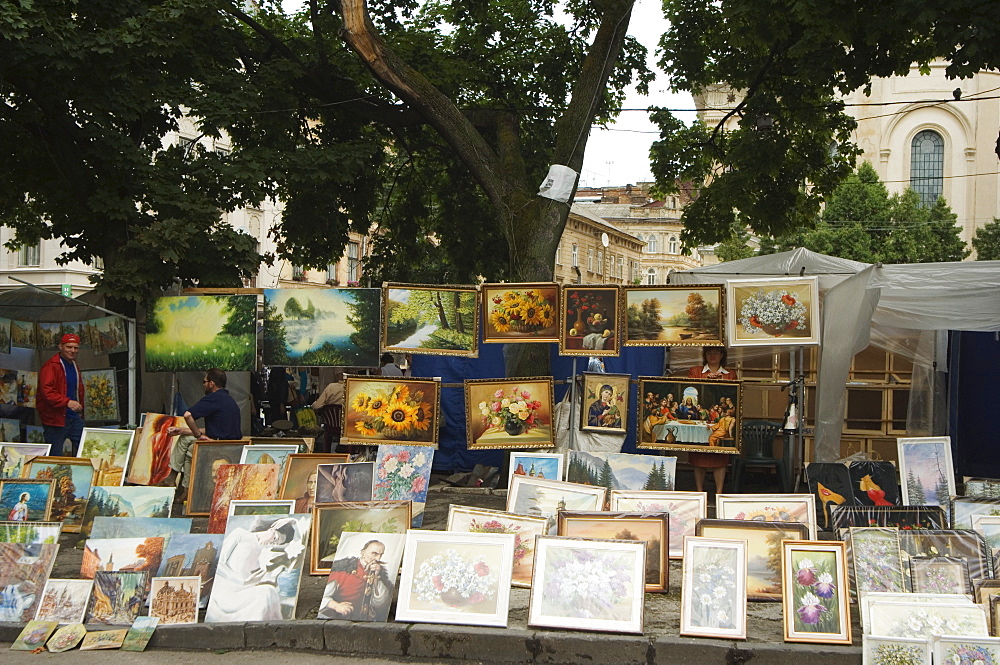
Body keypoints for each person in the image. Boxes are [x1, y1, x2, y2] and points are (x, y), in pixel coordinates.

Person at [205, 516, 300, 622]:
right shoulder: (241, 535)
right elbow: (219, 564)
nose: (271, 544)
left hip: (244, 590)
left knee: (270, 591)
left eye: (275, 543)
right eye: (274, 538)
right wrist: (243, 581)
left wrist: (293, 521)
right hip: (226, 589)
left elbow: (300, 544)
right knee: (265, 594)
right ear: (272, 528)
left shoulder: (265, 551)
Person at [162, 368, 242, 489]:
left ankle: (183, 485)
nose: (203, 385)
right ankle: (178, 482)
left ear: (212, 383)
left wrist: (198, 436)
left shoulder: (213, 399)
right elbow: (215, 430)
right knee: (185, 438)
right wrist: (183, 430)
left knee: (190, 450)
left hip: (220, 445)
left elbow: (187, 415)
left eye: (204, 382)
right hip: (231, 444)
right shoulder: (229, 400)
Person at [685, 346, 733, 494]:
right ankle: (700, 493)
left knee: (719, 457)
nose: (713, 356)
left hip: (720, 421)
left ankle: (719, 493)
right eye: (709, 353)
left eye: (716, 352)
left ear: (722, 355)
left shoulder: (730, 374)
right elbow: (690, 388)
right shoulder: (695, 371)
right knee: (699, 455)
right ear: (704, 355)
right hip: (701, 419)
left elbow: (734, 393)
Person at [318, 539, 393, 621]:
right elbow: (324, 598)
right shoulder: (342, 570)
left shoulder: (379, 572)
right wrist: (336, 606)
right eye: (374, 554)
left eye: (380, 555)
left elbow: (380, 603)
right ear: (363, 553)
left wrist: (376, 578)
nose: (378, 559)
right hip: (338, 619)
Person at [37, 333, 85, 455]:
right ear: (60, 346)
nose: (72, 351)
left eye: (76, 348)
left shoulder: (74, 364)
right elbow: (46, 391)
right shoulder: (51, 366)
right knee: (55, 455)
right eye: (69, 347)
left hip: (73, 417)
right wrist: (67, 402)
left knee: (87, 448)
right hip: (55, 419)